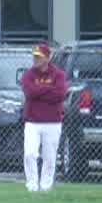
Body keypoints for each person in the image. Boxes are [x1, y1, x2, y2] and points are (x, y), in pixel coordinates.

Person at [19, 42, 67, 193]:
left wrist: (39, 91)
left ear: (47, 58)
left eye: (39, 57)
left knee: (50, 157)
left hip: (53, 122)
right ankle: (32, 186)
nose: (35, 59)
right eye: (34, 56)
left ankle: (46, 186)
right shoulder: (29, 74)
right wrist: (48, 89)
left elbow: (60, 94)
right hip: (32, 121)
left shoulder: (58, 74)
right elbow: (29, 93)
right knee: (30, 154)